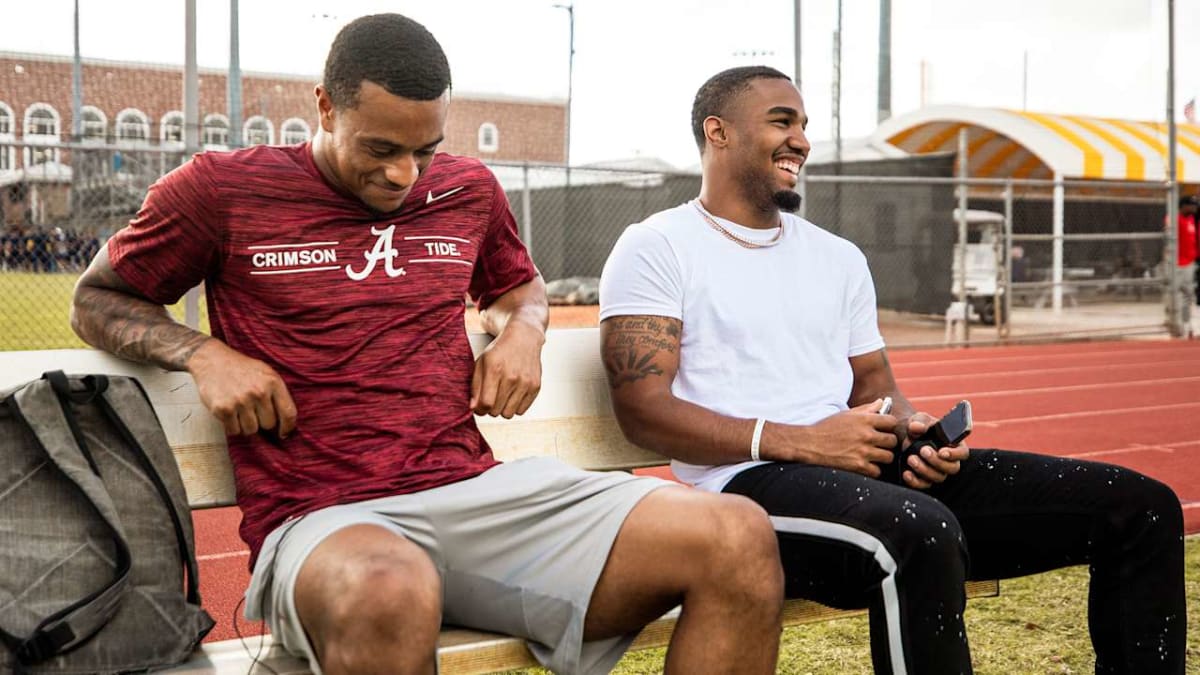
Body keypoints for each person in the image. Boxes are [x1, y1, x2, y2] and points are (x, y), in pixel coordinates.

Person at [70, 18, 785, 675]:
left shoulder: (467, 189)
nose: (405, 175)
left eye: (425, 149)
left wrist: (525, 333)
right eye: (380, 149)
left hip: (475, 490)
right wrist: (203, 353)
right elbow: (97, 298)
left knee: (736, 535)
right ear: (325, 106)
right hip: (325, 516)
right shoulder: (221, 188)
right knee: (391, 589)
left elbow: (521, 288)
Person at [599, 66, 1186, 675]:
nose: (801, 138)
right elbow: (643, 410)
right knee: (918, 531)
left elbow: (876, 390)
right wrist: (801, 441)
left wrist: (911, 430)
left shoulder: (837, 257)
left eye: (804, 124)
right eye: (782, 121)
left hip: (864, 473)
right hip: (741, 493)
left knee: (1140, 507)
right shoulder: (658, 246)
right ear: (717, 132)